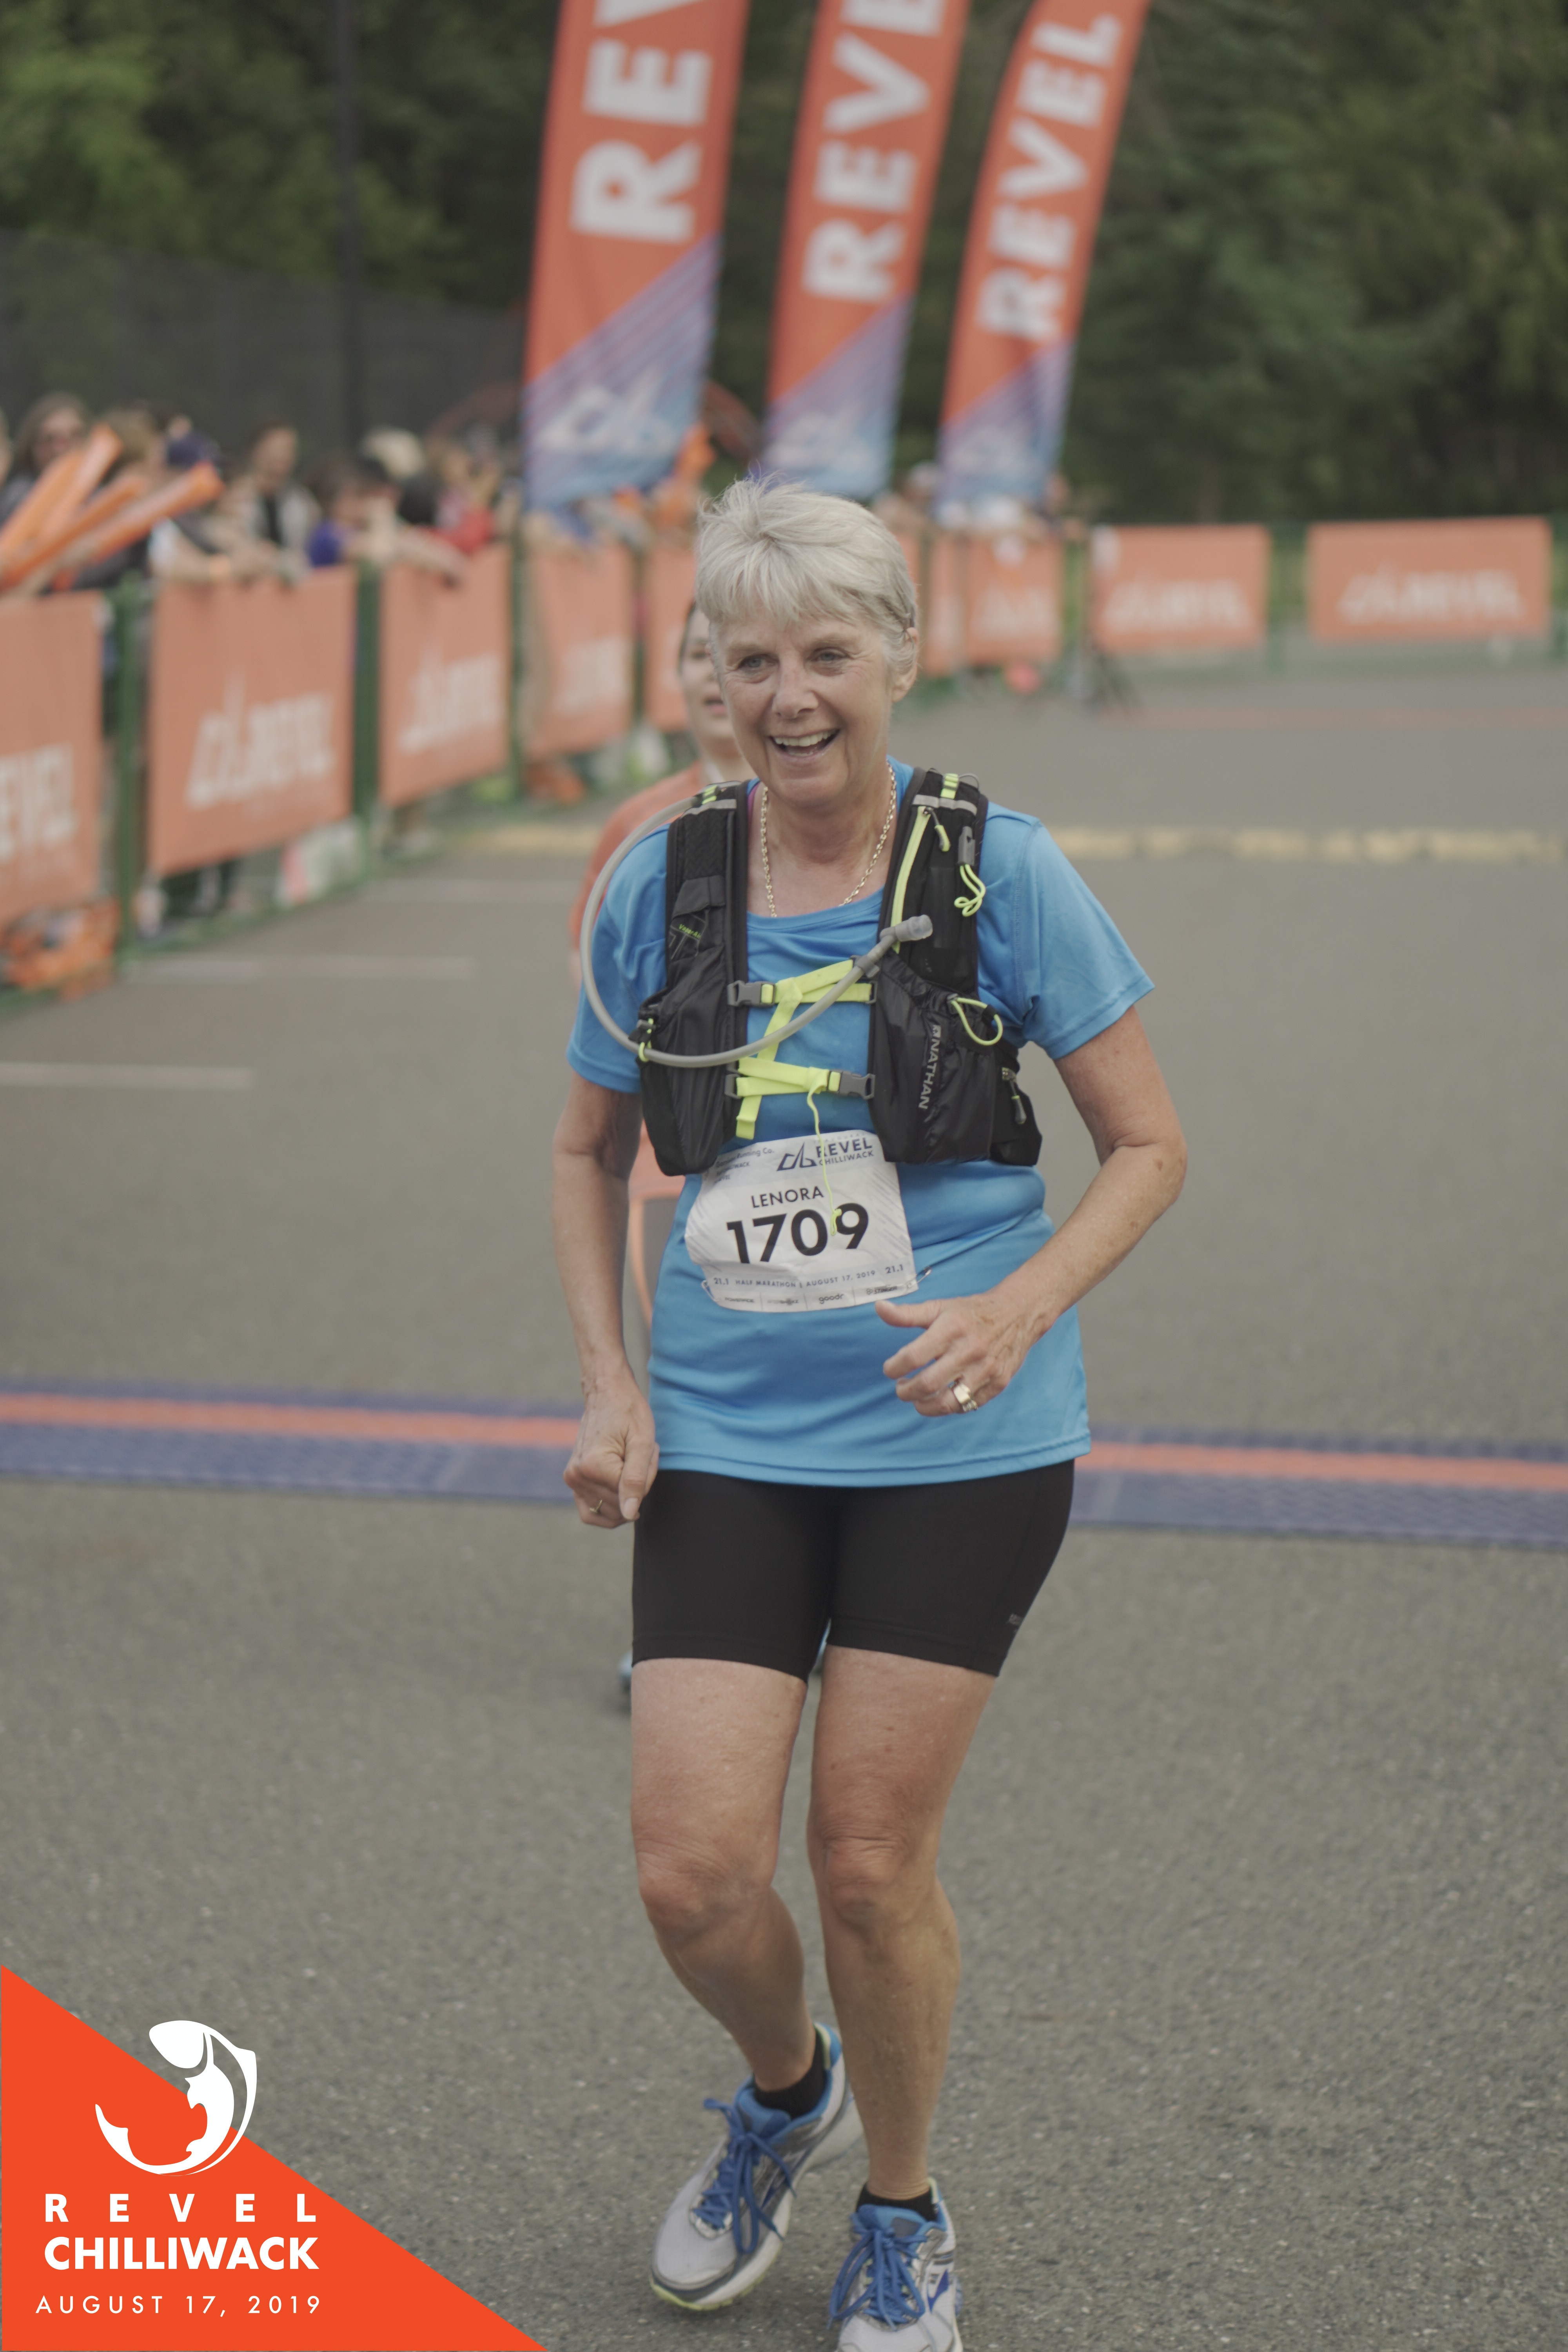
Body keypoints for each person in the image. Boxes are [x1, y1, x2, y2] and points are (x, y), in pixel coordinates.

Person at [553, 479, 1186, 2346]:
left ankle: (901, 2209)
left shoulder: (1003, 871)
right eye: (750, 658)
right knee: (689, 1875)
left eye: (826, 652)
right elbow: (582, 1148)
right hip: (725, 1433)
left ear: (899, 657)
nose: (789, 694)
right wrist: (607, 1383)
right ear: (712, 674)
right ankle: (787, 2090)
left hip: (955, 1435)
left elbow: (1148, 1145)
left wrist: (1017, 1302)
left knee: (862, 1859)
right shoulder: (659, 876)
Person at [0, 392, 89, 526]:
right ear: (32, 445)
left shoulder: (104, 498)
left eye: (74, 436)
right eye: (49, 439)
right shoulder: (18, 498)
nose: (60, 449)